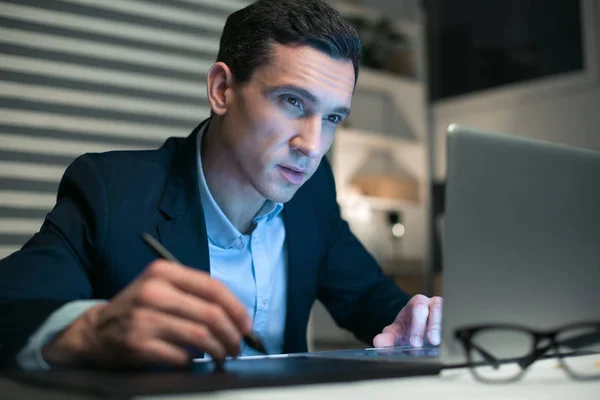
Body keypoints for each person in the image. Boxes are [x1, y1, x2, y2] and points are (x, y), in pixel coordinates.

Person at [0, 0, 442, 369]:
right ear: (221, 90)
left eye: (331, 118)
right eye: (292, 102)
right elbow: (10, 310)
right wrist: (92, 329)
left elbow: (364, 293)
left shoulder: (313, 192)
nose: (312, 146)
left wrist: (412, 320)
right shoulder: (111, 190)